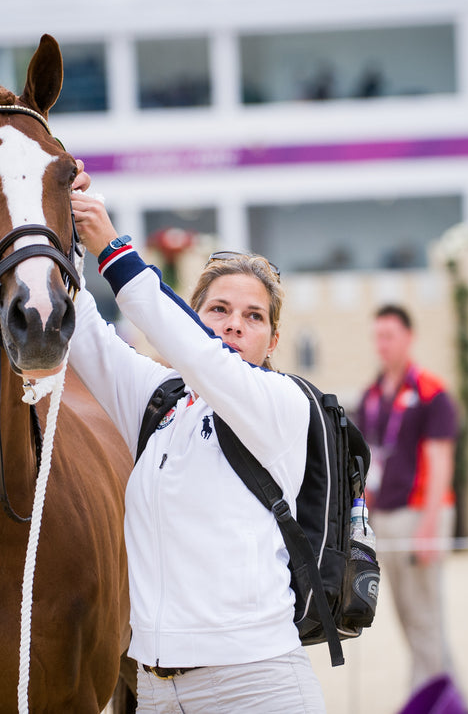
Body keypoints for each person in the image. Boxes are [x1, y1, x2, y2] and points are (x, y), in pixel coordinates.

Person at [68, 167, 326, 712]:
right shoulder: (163, 404)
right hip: (157, 690)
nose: (234, 324)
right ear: (196, 314)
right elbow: (86, 335)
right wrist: (61, 221)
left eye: (253, 316)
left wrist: (110, 245)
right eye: (218, 309)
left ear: (274, 339)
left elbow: (195, 351)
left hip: (256, 685)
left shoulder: (283, 404)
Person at [356, 304, 460, 695]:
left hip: (420, 514)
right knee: (406, 616)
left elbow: (440, 461)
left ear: (408, 338)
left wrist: (430, 526)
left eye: (389, 336)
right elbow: (366, 461)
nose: (381, 345)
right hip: (385, 516)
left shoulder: (431, 393)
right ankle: (446, 697)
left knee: (425, 616)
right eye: (376, 336)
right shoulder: (370, 394)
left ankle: (431, 696)